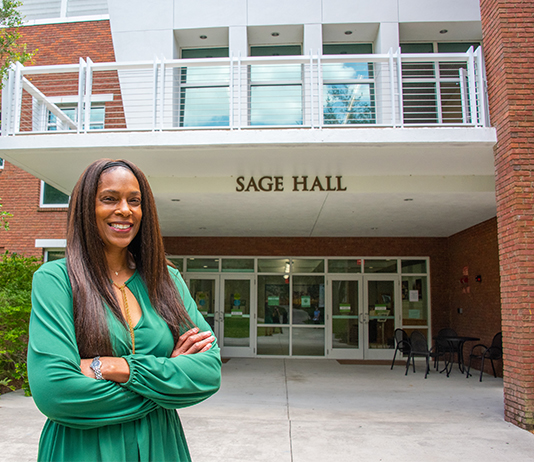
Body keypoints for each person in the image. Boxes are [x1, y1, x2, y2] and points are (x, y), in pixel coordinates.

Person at [27, 159, 221, 462]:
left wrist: (111, 367)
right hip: (82, 448)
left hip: (161, 445)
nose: (125, 210)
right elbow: (55, 392)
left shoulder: (167, 280)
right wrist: (167, 382)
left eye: (135, 201)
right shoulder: (55, 281)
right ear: (85, 209)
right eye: (109, 198)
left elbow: (208, 372)